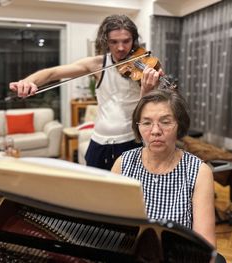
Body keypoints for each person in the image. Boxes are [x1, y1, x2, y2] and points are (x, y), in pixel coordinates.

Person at [9, 14, 163, 170]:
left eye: (126, 41)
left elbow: (151, 111)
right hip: (99, 143)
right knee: (94, 192)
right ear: (105, 41)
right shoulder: (97, 64)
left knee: (127, 192)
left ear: (134, 40)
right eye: (114, 42)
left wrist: (147, 89)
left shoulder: (145, 68)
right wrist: (28, 82)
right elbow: (51, 73)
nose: (121, 47)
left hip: (131, 142)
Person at [111, 89, 216, 248]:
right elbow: (108, 224)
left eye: (165, 122)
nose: (155, 131)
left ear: (179, 125)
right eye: (146, 123)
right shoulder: (123, 163)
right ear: (138, 127)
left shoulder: (199, 172)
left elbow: (205, 244)